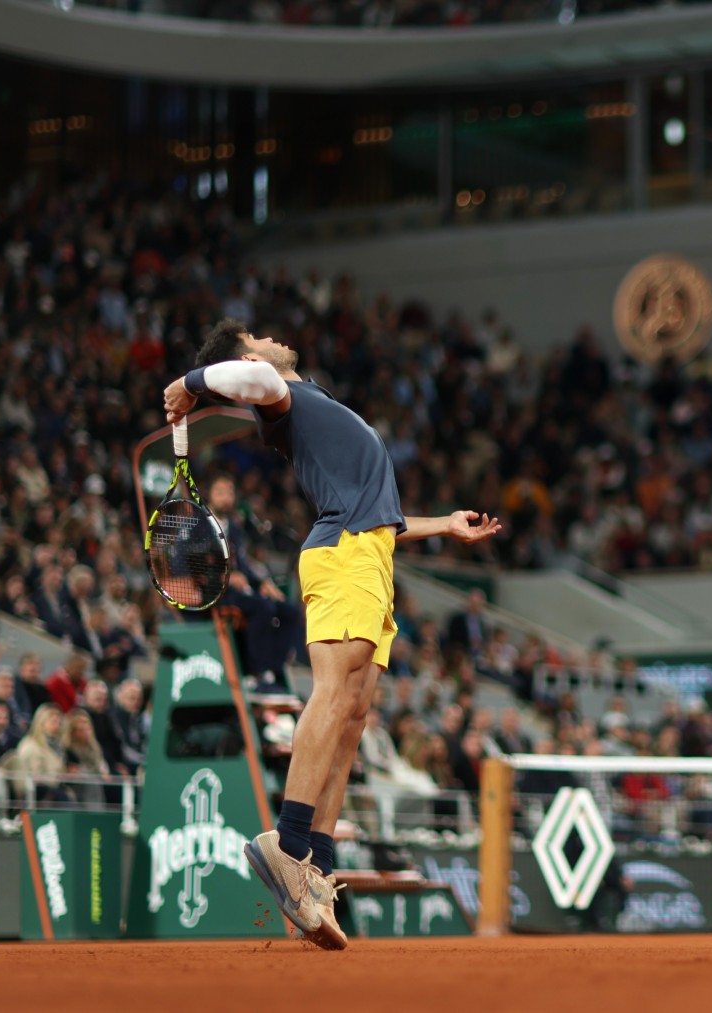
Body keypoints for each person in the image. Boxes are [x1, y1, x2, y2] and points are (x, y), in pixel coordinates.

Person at [165, 319, 500, 950]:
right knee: (331, 691)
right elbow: (252, 378)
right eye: (257, 336)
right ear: (246, 355)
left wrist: (444, 525)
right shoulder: (278, 391)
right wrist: (190, 383)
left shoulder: (310, 397)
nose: (272, 336)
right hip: (342, 553)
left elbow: (384, 520)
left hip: (371, 551)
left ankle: (316, 868)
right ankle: (287, 846)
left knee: (353, 714)